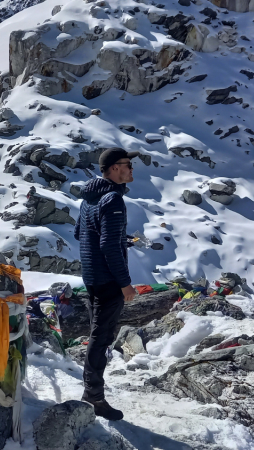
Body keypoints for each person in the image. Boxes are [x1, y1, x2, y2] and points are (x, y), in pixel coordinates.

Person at [74, 148, 139, 421]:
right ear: (114, 169)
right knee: (102, 339)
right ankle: (94, 397)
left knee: (98, 335)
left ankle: (92, 392)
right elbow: (109, 246)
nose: (131, 170)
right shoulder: (113, 199)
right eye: (127, 165)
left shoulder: (91, 196)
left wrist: (118, 238)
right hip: (108, 280)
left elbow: (81, 232)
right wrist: (125, 285)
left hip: (91, 276)